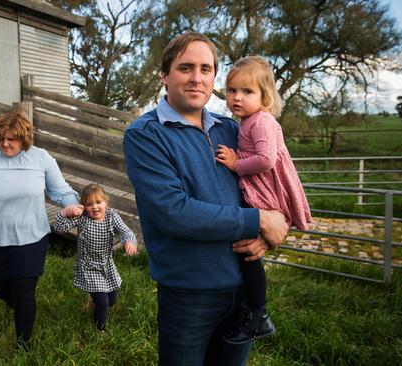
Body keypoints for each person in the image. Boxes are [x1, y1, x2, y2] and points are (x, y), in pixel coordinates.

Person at [123, 31, 289, 366]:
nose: (197, 78)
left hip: (243, 289)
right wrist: (258, 220)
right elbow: (175, 213)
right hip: (189, 295)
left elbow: (270, 183)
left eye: (206, 69)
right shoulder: (146, 135)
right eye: (185, 68)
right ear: (165, 76)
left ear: (214, 76)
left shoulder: (232, 129)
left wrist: (273, 228)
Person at [0, 109, 80, 346]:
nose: (5, 144)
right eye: (1, 139)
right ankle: (13, 303)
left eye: (11, 139)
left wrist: (72, 206)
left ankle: (23, 345)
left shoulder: (41, 159)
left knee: (24, 291)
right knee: (1, 290)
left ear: (24, 138)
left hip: (32, 238)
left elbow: (62, 191)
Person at [215, 55, 312, 345]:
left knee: (248, 256)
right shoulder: (247, 121)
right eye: (232, 90)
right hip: (259, 190)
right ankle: (250, 309)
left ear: (265, 96)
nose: (237, 97)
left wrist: (234, 164)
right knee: (247, 253)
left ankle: (258, 314)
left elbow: (267, 160)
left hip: (267, 193)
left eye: (247, 92)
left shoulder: (261, 122)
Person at [53, 183, 138, 331]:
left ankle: (93, 299)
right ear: (84, 206)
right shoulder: (82, 219)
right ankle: (100, 330)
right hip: (89, 266)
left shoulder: (112, 216)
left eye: (98, 202)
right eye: (89, 204)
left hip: (106, 264)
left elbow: (126, 231)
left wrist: (130, 241)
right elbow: (59, 227)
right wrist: (65, 213)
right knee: (103, 303)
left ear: (106, 202)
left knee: (112, 300)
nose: (95, 207)